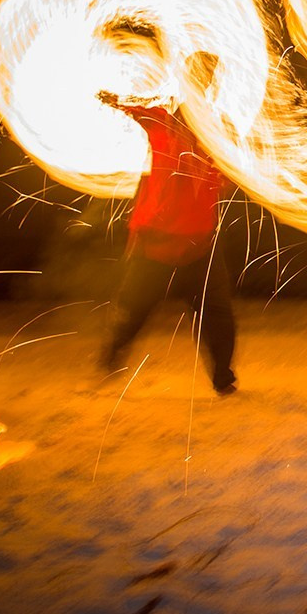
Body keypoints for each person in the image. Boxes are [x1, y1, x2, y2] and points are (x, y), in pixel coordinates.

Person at [96, 49, 238, 395]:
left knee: (218, 316)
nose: (203, 84)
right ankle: (111, 357)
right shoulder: (161, 119)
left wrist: (218, 177)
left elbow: (230, 176)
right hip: (157, 241)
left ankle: (223, 377)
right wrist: (109, 97)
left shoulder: (220, 129)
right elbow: (130, 105)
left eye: (208, 78)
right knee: (134, 310)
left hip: (199, 242)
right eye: (197, 77)